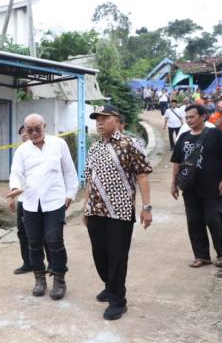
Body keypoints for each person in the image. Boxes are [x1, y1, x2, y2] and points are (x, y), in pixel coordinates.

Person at [83, 105, 153, 320]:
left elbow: (142, 175)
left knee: (117, 256)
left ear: (116, 119)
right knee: (99, 252)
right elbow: (89, 179)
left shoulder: (130, 144)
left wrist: (146, 207)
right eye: (97, 119)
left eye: (104, 118)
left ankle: (118, 300)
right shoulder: (95, 148)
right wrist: (86, 208)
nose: (99, 123)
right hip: (95, 210)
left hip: (120, 212)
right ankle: (110, 285)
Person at [7, 114, 78, 300]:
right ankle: (39, 279)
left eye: (37, 128)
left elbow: (70, 171)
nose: (34, 133)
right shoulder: (22, 150)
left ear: (44, 126)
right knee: (34, 242)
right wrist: (14, 189)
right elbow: (16, 173)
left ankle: (59, 279)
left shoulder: (58, 144)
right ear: (25, 131)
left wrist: (70, 194)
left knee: (54, 239)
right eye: (29, 130)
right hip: (30, 202)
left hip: (54, 201)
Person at [171, 104, 222, 270]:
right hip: (190, 189)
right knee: (194, 223)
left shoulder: (217, 134)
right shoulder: (183, 137)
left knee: (214, 220)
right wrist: (174, 183)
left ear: (203, 116)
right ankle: (201, 256)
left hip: (213, 188)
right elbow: (177, 161)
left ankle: (221, 254)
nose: (189, 120)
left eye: (192, 117)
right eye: (187, 118)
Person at [8, 125, 42, 274]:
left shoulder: (41, 151)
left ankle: (45, 263)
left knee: (40, 233)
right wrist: (12, 196)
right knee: (22, 232)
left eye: (25, 131)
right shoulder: (20, 152)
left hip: (38, 198)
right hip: (22, 199)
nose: (23, 134)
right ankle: (27, 262)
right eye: (21, 132)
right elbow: (14, 174)